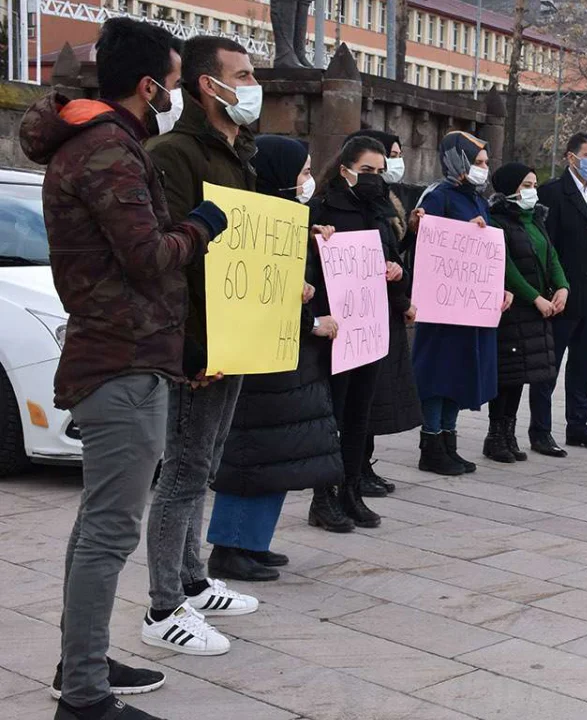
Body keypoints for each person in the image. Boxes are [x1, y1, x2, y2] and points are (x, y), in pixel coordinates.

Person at [20, 18, 225, 719]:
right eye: (172, 81)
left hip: (122, 354)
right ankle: (83, 697)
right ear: (147, 85)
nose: (173, 93)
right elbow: (147, 256)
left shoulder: (100, 143)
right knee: (110, 529)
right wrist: (201, 225)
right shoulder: (109, 149)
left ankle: (81, 659)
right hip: (122, 359)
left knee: (97, 526)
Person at [142, 34, 263, 657]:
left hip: (235, 337)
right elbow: (171, 262)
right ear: (204, 85)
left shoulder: (236, 153)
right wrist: (190, 347)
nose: (250, 86)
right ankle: (165, 605)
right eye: (239, 75)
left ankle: (191, 578)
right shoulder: (174, 155)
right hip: (200, 345)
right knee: (183, 471)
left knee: (204, 463)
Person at [206, 135, 343, 577]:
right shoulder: (249, 225)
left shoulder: (289, 221)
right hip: (262, 364)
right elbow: (250, 294)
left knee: (279, 456)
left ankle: (253, 541)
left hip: (289, 364)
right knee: (253, 456)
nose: (308, 182)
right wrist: (308, 320)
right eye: (302, 173)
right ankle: (229, 547)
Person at [307, 135, 411, 528]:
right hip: (336, 329)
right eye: (367, 171)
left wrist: (396, 273)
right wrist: (316, 243)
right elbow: (308, 270)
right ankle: (325, 496)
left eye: (379, 172)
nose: (374, 179)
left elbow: (395, 265)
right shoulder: (321, 208)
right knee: (332, 414)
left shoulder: (379, 212)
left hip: (370, 328)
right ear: (345, 168)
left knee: (359, 416)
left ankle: (351, 489)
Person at [414, 131, 512, 474]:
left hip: (468, 307)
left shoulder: (477, 198)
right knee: (438, 374)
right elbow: (424, 238)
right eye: (478, 162)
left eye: (485, 163)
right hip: (443, 308)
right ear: (459, 160)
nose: (484, 169)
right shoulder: (439, 195)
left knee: (460, 374)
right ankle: (431, 442)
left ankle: (448, 440)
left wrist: (499, 287)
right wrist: (462, 231)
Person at [531, 132, 587, 455]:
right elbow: (544, 246)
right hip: (563, 292)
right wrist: (552, 289)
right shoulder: (553, 193)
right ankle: (540, 430)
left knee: (583, 365)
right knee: (548, 368)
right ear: (571, 157)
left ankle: (578, 426)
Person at [345, 128, 420, 496]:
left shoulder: (388, 202)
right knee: (362, 399)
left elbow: (390, 251)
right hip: (366, 312)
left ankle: (363, 466)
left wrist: (411, 234)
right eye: (384, 156)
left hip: (384, 311)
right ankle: (352, 472)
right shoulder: (356, 205)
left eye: (393, 156)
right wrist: (402, 299)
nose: (391, 163)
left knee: (375, 396)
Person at [484, 163, 570, 461]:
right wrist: (535, 298)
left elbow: (551, 255)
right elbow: (505, 267)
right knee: (506, 375)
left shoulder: (535, 220)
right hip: (513, 309)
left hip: (536, 311)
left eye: (534, 185)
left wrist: (562, 286)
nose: (532, 191)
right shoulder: (497, 221)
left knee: (522, 374)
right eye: (525, 185)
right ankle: (496, 436)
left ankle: (510, 432)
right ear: (510, 188)